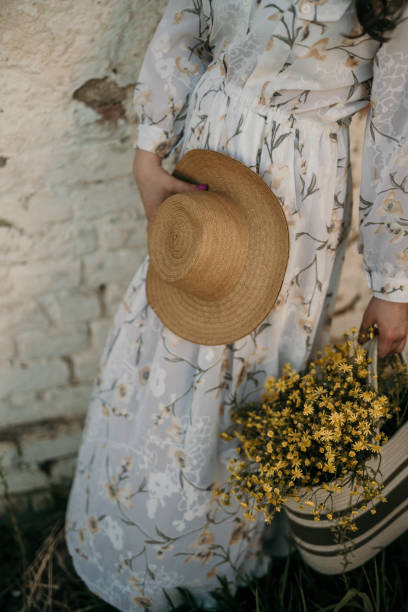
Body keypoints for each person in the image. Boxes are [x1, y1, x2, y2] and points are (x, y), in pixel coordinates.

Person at [65, 1, 408, 610]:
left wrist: (393, 283)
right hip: (210, 138)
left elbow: (399, 123)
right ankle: (140, 541)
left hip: (296, 181)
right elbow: (191, 12)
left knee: (248, 370)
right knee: (171, 337)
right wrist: (150, 146)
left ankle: (216, 561)